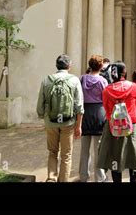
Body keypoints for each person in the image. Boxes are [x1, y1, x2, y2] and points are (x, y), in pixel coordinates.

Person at [96, 62, 136, 182]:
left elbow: (106, 108)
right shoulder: (133, 86)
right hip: (131, 125)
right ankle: (134, 179)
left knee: (114, 155)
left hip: (113, 127)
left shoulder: (107, 90)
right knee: (134, 154)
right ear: (124, 73)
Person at [37, 54, 84, 182]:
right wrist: (78, 125)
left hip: (51, 121)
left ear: (56, 66)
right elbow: (79, 106)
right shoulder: (74, 80)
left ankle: (51, 178)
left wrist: (43, 118)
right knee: (66, 155)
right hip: (68, 122)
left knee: (52, 152)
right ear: (69, 66)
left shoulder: (46, 80)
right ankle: (63, 180)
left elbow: (40, 104)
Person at [79, 55, 108, 182]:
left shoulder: (82, 79)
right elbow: (106, 98)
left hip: (84, 113)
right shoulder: (102, 81)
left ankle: (83, 176)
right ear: (101, 66)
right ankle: (99, 177)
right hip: (99, 113)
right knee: (98, 149)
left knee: (84, 148)